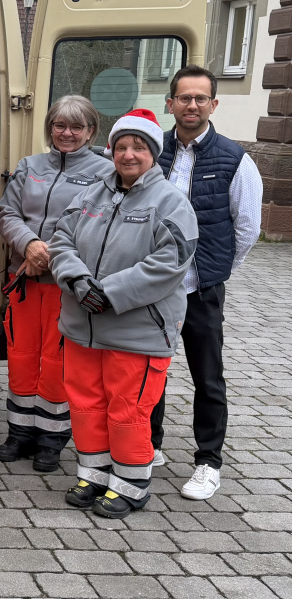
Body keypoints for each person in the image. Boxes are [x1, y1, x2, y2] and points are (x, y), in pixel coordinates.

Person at [50, 109, 198, 519]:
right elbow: (61, 239)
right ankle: (94, 476)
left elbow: (171, 262)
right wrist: (77, 280)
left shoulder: (170, 201)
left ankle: (132, 485)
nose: (128, 155)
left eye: (138, 147)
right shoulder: (91, 195)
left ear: (153, 153)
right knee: (85, 405)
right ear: (111, 150)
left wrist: (110, 292)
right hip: (83, 325)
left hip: (137, 331)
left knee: (128, 409)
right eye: (121, 147)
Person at [149, 65, 263, 500]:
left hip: (201, 288)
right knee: (149, 370)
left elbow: (247, 226)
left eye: (200, 98)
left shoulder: (235, 158)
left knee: (208, 377)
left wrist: (217, 270)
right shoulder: (151, 150)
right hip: (154, 287)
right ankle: (149, 446)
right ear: (171, 103)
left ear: (213, 104)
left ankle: (208, 462)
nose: (192, 105)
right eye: (184, 98)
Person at [0, 96, 112, 472]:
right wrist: (29, 245)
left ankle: (51, 438)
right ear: (50, 128)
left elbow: (98, 226)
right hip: (24, 281)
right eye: (60, 125)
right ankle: (19, 433)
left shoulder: (105, 172)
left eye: (77, 127)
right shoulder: (30, 166)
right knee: (22, 357)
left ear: (91, 131)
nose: (67, 133)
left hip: (66, 286)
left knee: (57, 363)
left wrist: (51, 256)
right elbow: (7, 212)